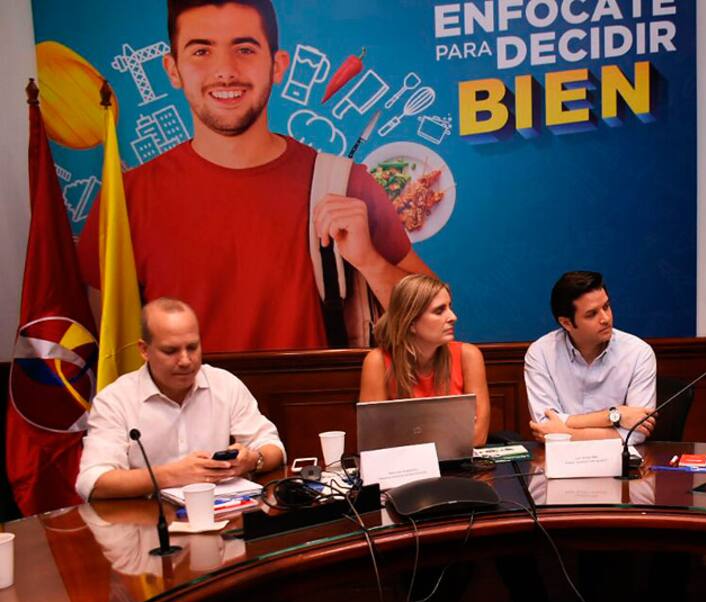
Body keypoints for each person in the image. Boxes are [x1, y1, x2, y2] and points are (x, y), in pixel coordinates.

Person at [77, 0, 433, 352]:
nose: (225, 71)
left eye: (244, 49)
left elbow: (435, 323)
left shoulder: (344, 184)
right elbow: (105, 350)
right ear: (173, 70)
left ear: (277, 66)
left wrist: (369, 260)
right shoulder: (128, 199)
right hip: (182, 394)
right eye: (201, 51)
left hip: (316, 392)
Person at [76, 298, 284, 500]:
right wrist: (172, 475)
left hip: (219, 513)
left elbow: (273, 447)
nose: (185, 360)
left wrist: (252, 460)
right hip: (148, 518)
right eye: (171, 351)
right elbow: (92, 482)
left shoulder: (224, 384)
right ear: (144, 350)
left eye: (192, 347)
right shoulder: (115, 400)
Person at [524, 271, 656, 442]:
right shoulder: (541, 353)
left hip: (618, 458)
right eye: (592, 314)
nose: (605, 318)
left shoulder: (638, 353)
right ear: (566, 323)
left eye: (606, 307)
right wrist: (615, 416)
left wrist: (566, 432)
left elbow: (637, 433)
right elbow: (545, 425)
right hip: (560, 458)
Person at [359, 275, 490, 447]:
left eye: (450, 307)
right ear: (411, 322)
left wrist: (407, 434)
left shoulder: (469, 355)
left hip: (458, 461)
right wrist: (452, 431)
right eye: (439, 311)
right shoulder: (378, 361)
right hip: (404, 464)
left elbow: (478, 436)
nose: (453, 317)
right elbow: (374, 440)